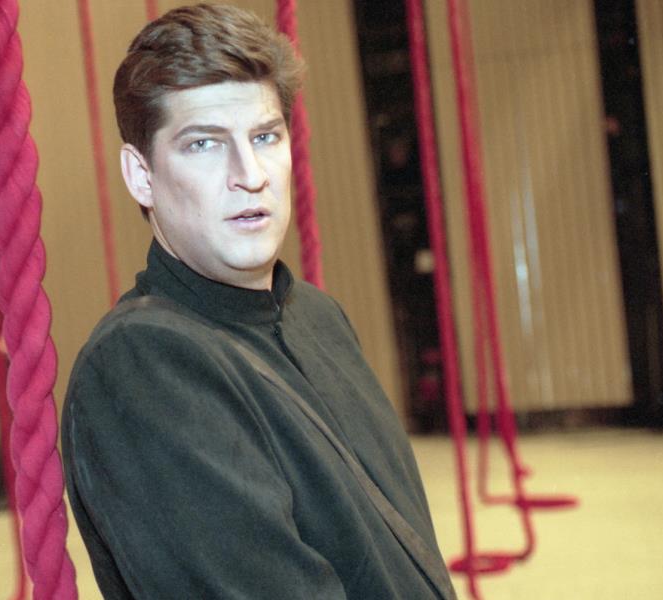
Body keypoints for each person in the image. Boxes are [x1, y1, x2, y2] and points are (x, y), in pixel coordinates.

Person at [61, 5, 455, 599]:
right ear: (141, 176)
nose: (250, 175)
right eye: (203, 144)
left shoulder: (317, 316)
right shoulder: (141, 366)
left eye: (265, 137)